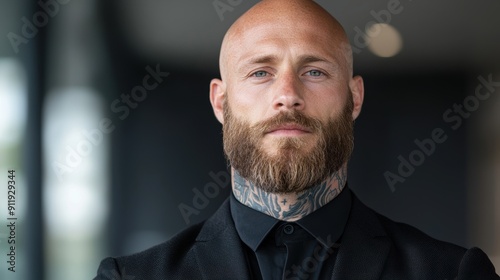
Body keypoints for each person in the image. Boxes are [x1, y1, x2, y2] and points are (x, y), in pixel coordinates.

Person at [94, 0, 500, 279]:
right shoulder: (129, 277)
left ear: (354, 97)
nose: (287, 94)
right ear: (221, 102)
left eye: (315, 72)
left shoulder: (451, 273)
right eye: (260, 73)